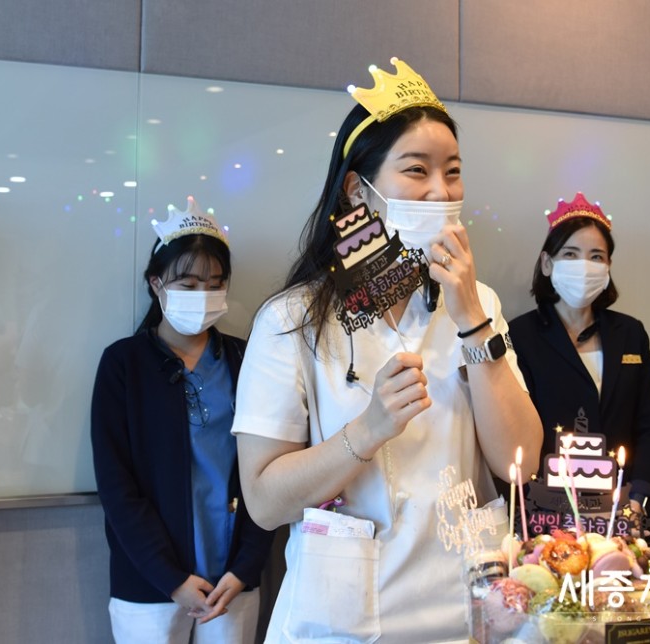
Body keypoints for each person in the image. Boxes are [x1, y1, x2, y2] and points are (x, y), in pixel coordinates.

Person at [232, 58, 542, 643]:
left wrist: (473, 322)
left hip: (467, 612)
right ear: (359, 190)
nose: (441, 191)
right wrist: (368, 430)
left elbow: (518, 462)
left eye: (453, 172)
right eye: (417, 169)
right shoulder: (292, 320)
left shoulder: (478, 304)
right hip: (343, 624)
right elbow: (265, 502)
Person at [90, 197, 273, 644]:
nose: (202, 295)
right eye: (188, 284)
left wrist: (246, 567)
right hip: (149, 583)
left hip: (232, 581)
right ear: (157, 284)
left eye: (215, 283)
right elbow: (117, 487)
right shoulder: (123, 364)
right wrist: (170, 578)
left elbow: (269, 471)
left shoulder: (246, 359)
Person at [508, 193, 650, 546]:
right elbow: (514, 430)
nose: (584, 265)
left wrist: (639, 497)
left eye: (596, 256)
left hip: (624, 514)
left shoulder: (630, 333)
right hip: (550, 521)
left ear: (608, 268)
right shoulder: (520, 336)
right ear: (547, 263)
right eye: (570, 254)